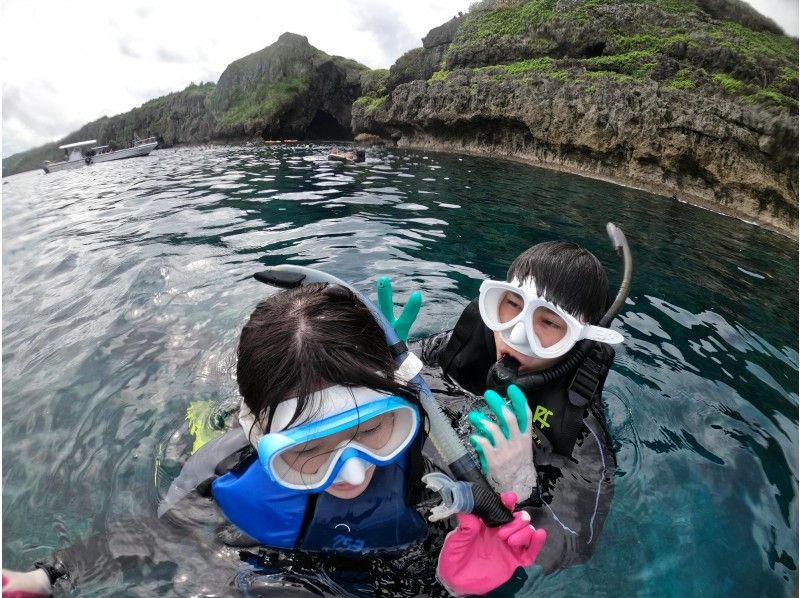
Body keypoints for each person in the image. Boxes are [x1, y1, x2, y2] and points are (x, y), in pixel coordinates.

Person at [3, 277, 543, 596]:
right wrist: (47, 578)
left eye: (375, 430)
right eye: (308, 450)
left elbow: (519, 528)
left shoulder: (439, 448)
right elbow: (151, 535)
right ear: (259, 437)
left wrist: (515, 487)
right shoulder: (229, 470)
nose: (354, 471)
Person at [415, 235, 629, 573]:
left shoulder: (580, 429)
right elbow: (401, 366)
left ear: (580, 339)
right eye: (512, 304)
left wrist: (520, 485)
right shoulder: (464, 347)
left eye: (548, 322)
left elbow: (574, 545)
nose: (516, 333)